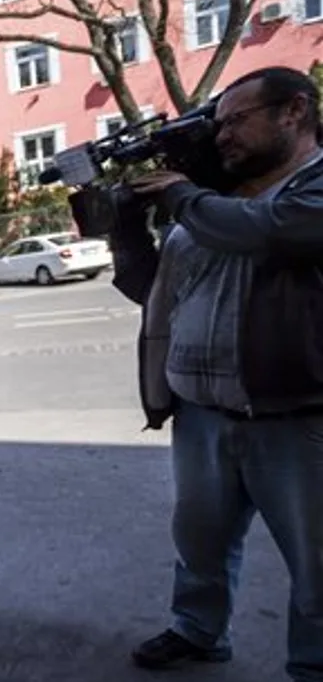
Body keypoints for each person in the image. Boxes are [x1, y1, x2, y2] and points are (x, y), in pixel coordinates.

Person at [111, 67, 323, 681]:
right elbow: (155, 291)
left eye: (236, 120)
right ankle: (199, 631)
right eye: (219, 122)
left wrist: (179, 195)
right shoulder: (211, 201)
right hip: (201, 412)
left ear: (294, 112)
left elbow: (269, 233)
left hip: (295, 416)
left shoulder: (304, 192)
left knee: (316, 563)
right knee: (199, 542)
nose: (221, 134)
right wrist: (127, 230)